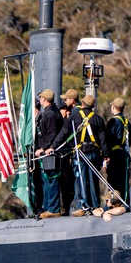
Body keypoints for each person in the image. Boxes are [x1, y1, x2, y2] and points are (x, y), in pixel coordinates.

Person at [52, 93, 108, 216]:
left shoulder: (74, 117)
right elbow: (103, 139)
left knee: (80, 179)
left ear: (82, 104)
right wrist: (105, 154)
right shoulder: (98, 119)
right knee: (93, 180)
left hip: (80, 153)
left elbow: (63, 133)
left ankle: (81, 206)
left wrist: (53, 147)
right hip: (94, 153)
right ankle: (95, 205)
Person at [34, 88, 64, 219]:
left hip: (49, 154)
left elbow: (52, 133)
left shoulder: (50, 113)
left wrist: (45, 147)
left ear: (44, 99)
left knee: (50, 179)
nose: (40, 100)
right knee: (46, 180)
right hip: (47, 153)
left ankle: (52, 208)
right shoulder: (50, 112)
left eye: (41, 98)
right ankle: (48, 207)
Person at [99, 96, 131, 217]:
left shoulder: (113, 122)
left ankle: (112, 203)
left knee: (113, 181)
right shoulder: (127, 122)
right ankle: (123, 201)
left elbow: (108, 139)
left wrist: (105, 156)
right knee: (123, 181)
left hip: (115, 155)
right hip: (125, 155)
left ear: (113, 107)